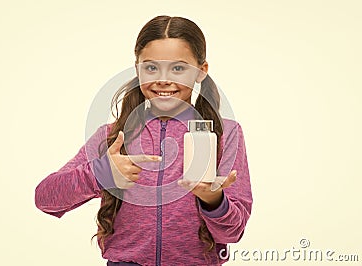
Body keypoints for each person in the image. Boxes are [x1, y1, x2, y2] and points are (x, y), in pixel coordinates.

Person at [35, 15, 253, 266]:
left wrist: (213, 201)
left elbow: (233, 233)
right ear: (137, 68)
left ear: (201, 71)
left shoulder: (226, 134)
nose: (163, 79)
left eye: (179, 68)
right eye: (151, 67)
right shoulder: (111, 136)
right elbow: (45, 199)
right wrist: (99, 174)